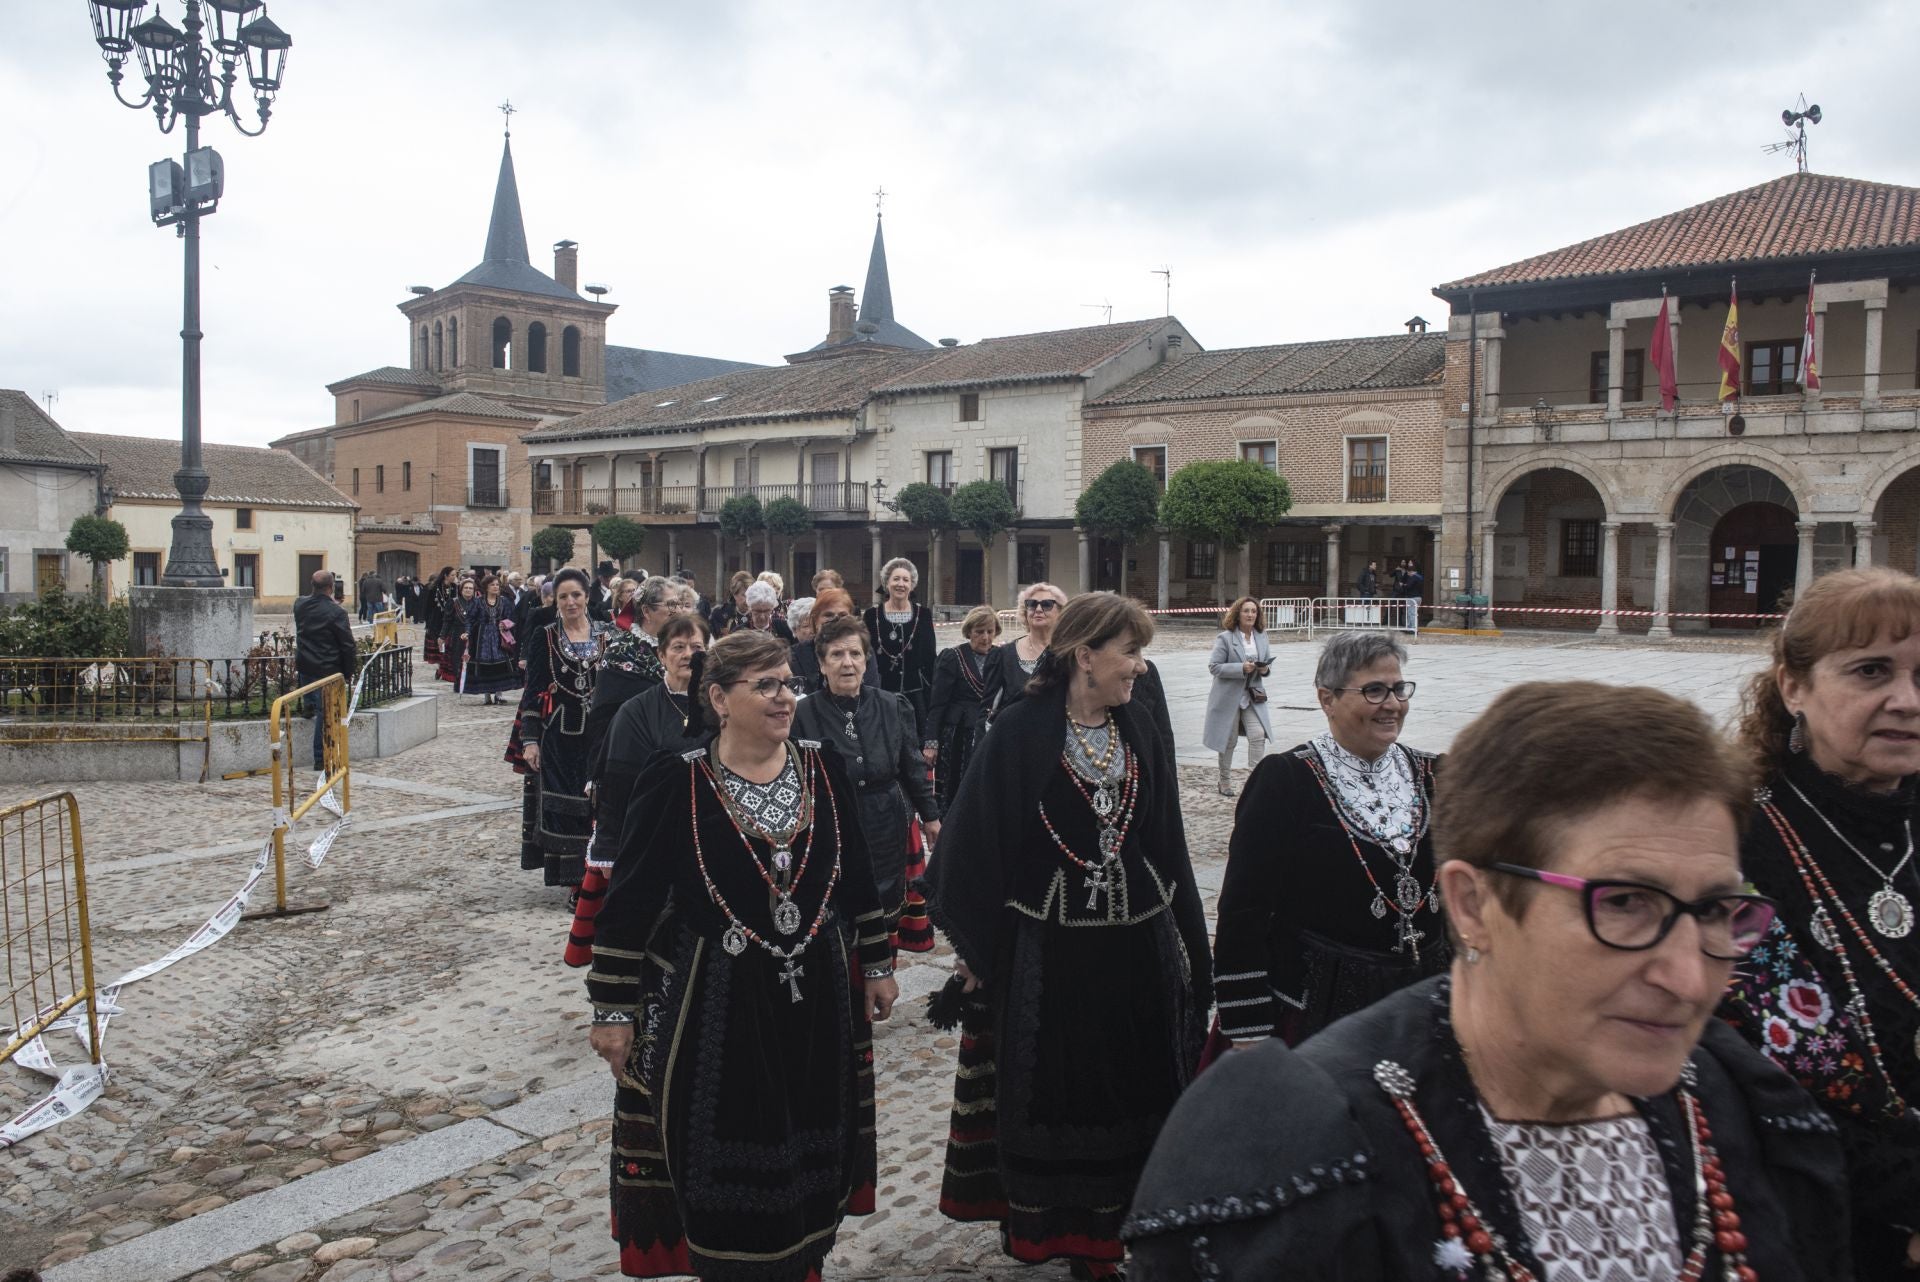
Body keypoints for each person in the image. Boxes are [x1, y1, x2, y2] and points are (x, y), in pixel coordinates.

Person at [1126, 681, 1852, 1281]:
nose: (1691, 979)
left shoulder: (1745, 1109)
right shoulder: (1307, 1146)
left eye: (1717, 911)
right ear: (1474, 904)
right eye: (1625, 905)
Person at [585, 630, 896, 1280]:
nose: (785, 697)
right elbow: (632, 898)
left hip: (817, 997)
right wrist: (613, 1008)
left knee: (813, 1141)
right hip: (719, 1006)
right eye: (768, 685)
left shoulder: (823, 767)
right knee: (731, 1152)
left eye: (789, 682)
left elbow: (856, 873)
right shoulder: (678, 779)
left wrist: (877, 961)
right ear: (721, 698)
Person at [926, 592, 1211, 1279]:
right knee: (1065, 1092)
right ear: (1085, 655)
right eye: (1130, 653)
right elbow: (974, 847)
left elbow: (1166, 840)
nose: (1140, 668)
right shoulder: (1021, 730)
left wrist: (1195, 955)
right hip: (1051, 959)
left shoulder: (1138, 724)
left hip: (1136, 950)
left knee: (1138, 1089)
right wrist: (978, 954)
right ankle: (1078, 1243)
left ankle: (1129, 1227)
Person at [1719, 566, 1920, 1279]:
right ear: (1792, 687)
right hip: (1819, 1229)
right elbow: (1746, 1077)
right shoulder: (1733, 848)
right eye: (1872, 672)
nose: (1907, 700)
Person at [1210, 630, 1443, 1052]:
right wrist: (1248, 1028)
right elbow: (1245, 910)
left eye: (1397, 689)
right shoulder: (1286, 781)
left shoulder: (1434, 776)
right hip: (1318, 1015)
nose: (1391, 704)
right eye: (1373, 691)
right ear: (1326, 699)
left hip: (1421, 1010)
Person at [566, 612, 711, 966]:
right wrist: (611, 853)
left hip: (711, 842)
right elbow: (616, 788)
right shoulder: (636, 712)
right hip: (651, 844)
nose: (688, 654)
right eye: (678, 647)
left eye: (697, 646)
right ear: (660, 655)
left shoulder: (720, 707)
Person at [795, 614, 940, 942]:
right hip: (831, 822)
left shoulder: (892, 705)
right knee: (837, 907)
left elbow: (913, 766)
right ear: (821, 663)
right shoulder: (801, 715)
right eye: (836, 654)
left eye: (855, 654)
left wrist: (931, 816)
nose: (847, 663)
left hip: (885, 821)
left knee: (883, 903)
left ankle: (879, 969)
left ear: (865, 660)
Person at [509, 568, 611, 893]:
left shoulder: (606, 636)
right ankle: (574, 882)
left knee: (599, 804)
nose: (570, 602)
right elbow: (533, 690)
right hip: (559, 738)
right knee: (567, 806)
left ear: (587, 597)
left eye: (576, 595)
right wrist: (529, 740)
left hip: (599, 737)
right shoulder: (546, 636)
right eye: (563, 596)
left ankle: (598, 874)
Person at [927, 604, 1004, 816]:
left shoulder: (1002, 657)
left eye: (990, 632)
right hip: (957, 735)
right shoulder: (952, 657)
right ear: (969, 631)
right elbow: (938, 703)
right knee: (953, 788)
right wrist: (931, 742)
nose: (985, 637)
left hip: (989, 733)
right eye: (979, 632)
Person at [1203, 597, 1273, 797]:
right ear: (1238, 614)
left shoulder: (1262, 636)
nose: (1250, 615)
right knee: (1229, 740)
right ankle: (1224, 781)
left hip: (1252, 696)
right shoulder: (1225, 638)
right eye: (1246, 611)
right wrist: (1240, 668)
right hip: (1228, 697)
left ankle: (1254, 782)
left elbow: (1266, 668)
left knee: (1258, 734)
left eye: (1254, 611)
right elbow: (1214, 667)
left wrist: (1265, 668)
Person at [293, 570, 355, 775]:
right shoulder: (336, 612)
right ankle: (320, 757)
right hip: (327, 667)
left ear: (312, 585)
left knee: (312, 697)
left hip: (305, 663)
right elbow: (347, 645)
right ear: (331, 587)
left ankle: (307, 705)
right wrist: (348, 672)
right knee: (325, 713)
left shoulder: (299, 604)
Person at [865, 557, 936, 737]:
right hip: (880, 692)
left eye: (906, 580)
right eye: (896, 579)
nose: (901, 584)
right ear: (886, 583)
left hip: (916, 693)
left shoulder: (924, 615)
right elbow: (865, 654)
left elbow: (930, 656)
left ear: (912, 585)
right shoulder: (871, 616)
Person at [990, 581, 1067, 698]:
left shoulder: (1070, 652)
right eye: (1032, 604)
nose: (1038, 609)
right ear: (1025, 612)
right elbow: (988, 704)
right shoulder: (1003, 655)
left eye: (1047, 604)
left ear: (1061, 612)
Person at [464, 574, 522, 705]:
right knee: (484, 665)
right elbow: (470, 619)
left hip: (499, 637)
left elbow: (512, 617)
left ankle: (499, 694)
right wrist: (467, 632)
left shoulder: (504, 601)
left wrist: (505, 623)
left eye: (497, 585)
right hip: (482, 638)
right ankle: (486, 695)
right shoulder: (478, 601)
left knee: (500, 664)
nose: (495, 587)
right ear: (486, 587)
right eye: (492, 585)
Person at [436, 578, 476, 684]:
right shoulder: (453, 602)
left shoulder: (478, 603)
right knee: (456, 656)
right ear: (461, 589)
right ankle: (457, 677)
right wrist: (442, 636)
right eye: (466, 588)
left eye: (471, 588)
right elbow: (447, 621)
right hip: (456, 633)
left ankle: (470, 676)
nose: (468, 590)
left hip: (473, 634)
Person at [423, 566, 455, 664]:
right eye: (452, 575)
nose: (454, 577)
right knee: (437, 644)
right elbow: (428, 606)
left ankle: (444, 667)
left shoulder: (455, 588)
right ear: (446, 575)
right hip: (436, 619)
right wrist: (427, 621)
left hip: (450, 619)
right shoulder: (434, 588)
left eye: (455, 575)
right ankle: (440, 665)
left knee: (449, 643)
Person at [709, 571, 753, 635]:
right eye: (744, 595)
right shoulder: (719, 614)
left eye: (750, 595)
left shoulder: (759, 614)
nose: (747, 599)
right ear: (735, 594)